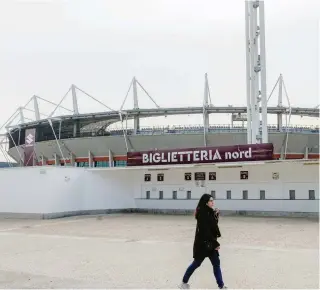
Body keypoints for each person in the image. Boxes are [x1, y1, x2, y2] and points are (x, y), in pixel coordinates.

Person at [179, 193, 227, 289]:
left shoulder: (209, 212)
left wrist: (216, 216)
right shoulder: (202, 214)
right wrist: (215, 243)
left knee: (216, 264)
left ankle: (221, 286)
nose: (212, 202)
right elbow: (205, 231)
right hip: (203, 244)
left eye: (213, 200)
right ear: (206, 202)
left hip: (210, 243)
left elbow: (212, 227)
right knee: (196, 263)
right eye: (211, 201)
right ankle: (184, 282)